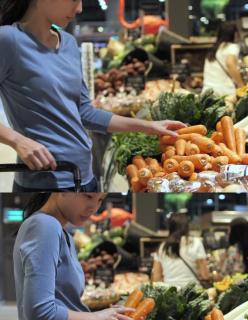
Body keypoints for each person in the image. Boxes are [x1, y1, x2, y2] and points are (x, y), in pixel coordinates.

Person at [0, 0, 183, 192]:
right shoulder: (8, 40)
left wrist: (149, 126)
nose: (79, 8)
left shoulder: (69, 43)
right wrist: (17, 140)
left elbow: (85, 112)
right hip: (44, 181)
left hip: (84, 176)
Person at [13, 193, 141, 320]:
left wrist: (108, 316)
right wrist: (97, 318)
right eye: (88, 196)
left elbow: (60, 302)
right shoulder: (45, 226)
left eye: (99, 200)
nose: (93, 207)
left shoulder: (59, 231)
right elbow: (40, 311)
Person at [152, 213, 211, 288]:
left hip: (171, 293)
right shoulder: (195, 243)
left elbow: (156, 278)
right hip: (193, 294)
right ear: (187, 227)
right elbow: (205, 275)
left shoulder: (162, 247)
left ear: (170, 227)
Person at [203, 21, 244, 97]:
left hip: (207, 92)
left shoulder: (213, 49)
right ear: (234, 34)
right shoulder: (232, 47)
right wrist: (241, 86)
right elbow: (230, 64)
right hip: (224, 92)